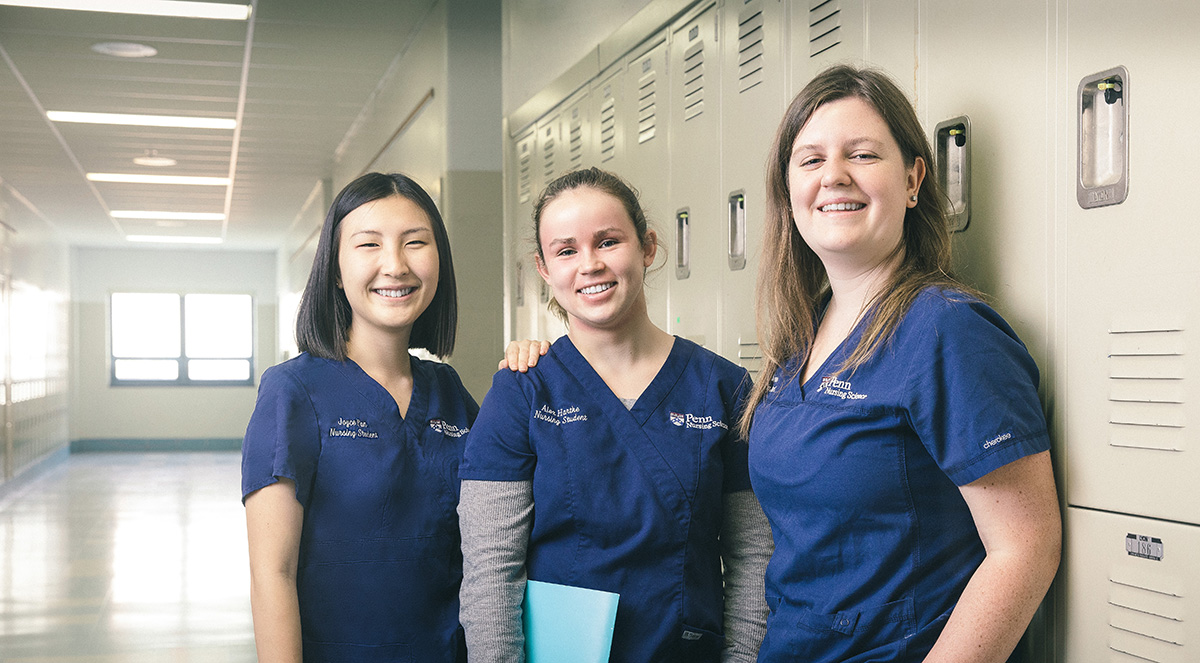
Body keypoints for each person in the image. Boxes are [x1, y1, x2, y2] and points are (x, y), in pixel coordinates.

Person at [741, 64, 1062, 663]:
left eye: (862, 155)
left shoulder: (947, 329)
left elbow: (1026, 547)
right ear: (788, 191)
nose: (833, 176)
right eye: (810, 161)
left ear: (913, 179)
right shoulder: (799, 337)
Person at [458, 166, 773, 663]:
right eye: (566, 251)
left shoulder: (723, 387)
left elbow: (753, 555)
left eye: (607, 241)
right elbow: (491, 573)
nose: (589, 265)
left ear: (647, 247)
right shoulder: (521, 392)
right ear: (544, 269)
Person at [241, 172, 478, 662]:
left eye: (416, 243)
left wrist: (542, 368)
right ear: (335, 267)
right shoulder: (294, 391)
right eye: (368, 244)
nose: (395, 265)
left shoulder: (449, 391)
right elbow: (272, 573)